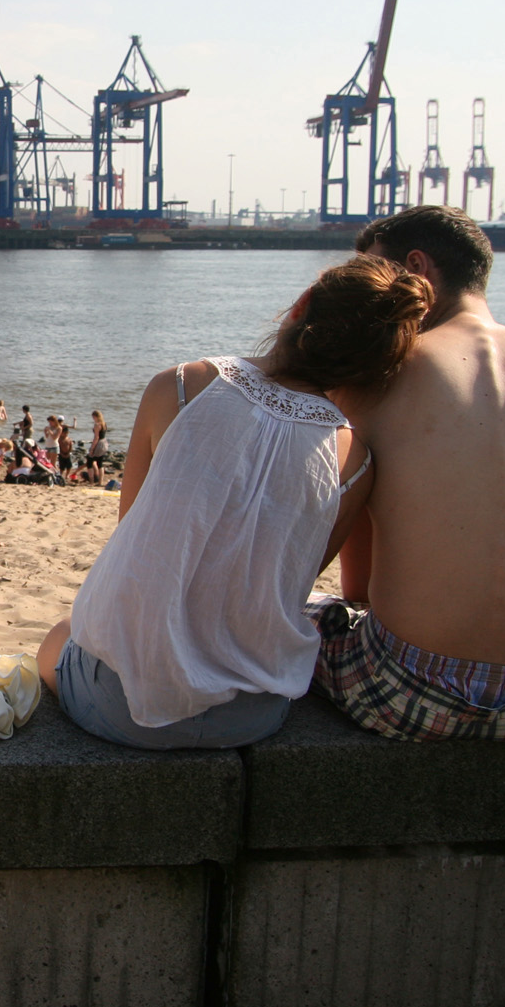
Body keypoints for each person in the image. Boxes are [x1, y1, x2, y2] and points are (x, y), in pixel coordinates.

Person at [34, 254, 429, 749]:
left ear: (301, 306)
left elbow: (134, 533)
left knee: (61, 635)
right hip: (253, 712)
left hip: (125, 709)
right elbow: (290, 581)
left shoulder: (179, 385)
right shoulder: (357, 463)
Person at [315, 205, 505, 746]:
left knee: (308, 617)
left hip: (406, 691)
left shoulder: (379, 371)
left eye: (374, 275)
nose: (369, 296)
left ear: (416, 268)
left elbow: (357, 588)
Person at [85, 411, 111, 484]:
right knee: (100, 463)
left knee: (90, 461)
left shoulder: (97, 425)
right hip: (104, 442)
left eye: (93, 417)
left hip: (99, 443)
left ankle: (92, 481)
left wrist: (92, 449)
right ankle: (100, 481)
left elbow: (96, 437)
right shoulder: (104, 424)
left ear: (96, 416)